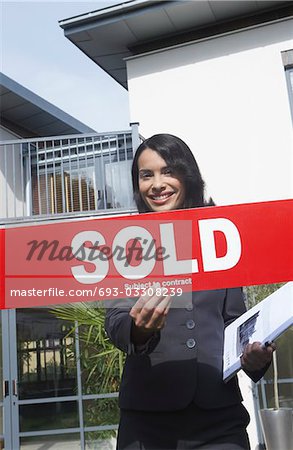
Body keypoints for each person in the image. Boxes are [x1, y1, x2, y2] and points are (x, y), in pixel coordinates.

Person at [105, 133, 275, 450]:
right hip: (147, 425)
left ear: (187, 175)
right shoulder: (126, 244)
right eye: (146, 175)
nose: (157, 184)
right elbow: (115, 322)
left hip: (219, 422)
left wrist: (253, 358)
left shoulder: (220, 239)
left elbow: (234, 323)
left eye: (168, 171)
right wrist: (139, 330)